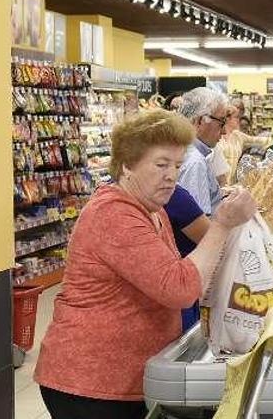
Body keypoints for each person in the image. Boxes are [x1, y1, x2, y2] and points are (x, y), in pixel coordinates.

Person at [34, 109, 256, 419]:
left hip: (129, 378)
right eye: (161, 164)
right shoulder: (113, 213)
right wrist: (221, 225)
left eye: (177, 165)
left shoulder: (152, 209)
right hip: (90, 383)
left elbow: (180, 276)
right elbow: (178, 289)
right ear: (127, 165)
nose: (171, 175)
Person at [164, 184, 211, 332]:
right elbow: (211, 240)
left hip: (162, 302)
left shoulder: (111, 197)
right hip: (182, 302)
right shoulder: (174, 196)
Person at [176, 87, 230, 214]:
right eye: (221, 122)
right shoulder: (195, 162)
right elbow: (200, 225)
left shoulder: (183, 150)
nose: (224, 131)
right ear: (200, 121)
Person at [217, 103, 272, 185]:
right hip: (217, 183)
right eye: (236, 117)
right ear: (227, 118)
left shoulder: (238, 136)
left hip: (231, 184)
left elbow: (257, 140)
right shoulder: (216, 135)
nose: (239, 120)